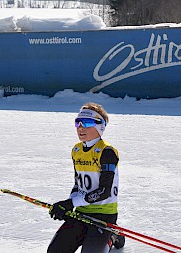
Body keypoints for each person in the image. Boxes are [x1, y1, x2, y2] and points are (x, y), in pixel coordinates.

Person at [47, 102, 124, 253]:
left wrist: (71, 203)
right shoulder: (76, 150)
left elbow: (104, 191)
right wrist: (69, 203)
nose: (81, 127)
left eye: (87, 123)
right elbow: (78, 184)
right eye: (78, 122)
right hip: (81, 213)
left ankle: (113, 236)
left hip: (103, 215)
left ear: (100, 126)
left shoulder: (107, 152)